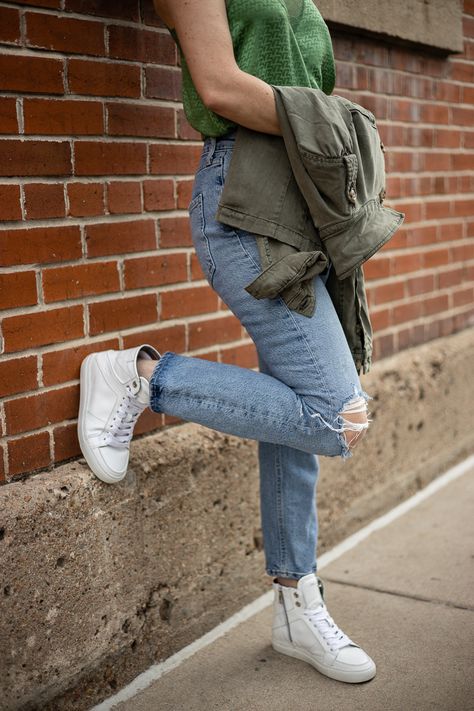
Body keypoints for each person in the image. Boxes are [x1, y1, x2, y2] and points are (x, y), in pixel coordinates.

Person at [78, 0, 376, 684]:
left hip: (307, 203)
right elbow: (218, 85)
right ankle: (143, 376)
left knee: (301, 415)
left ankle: (297, 603)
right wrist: (343, 125)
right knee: (337, 414)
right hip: (244, 203)